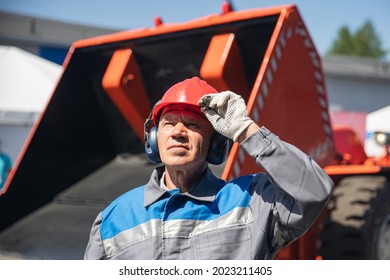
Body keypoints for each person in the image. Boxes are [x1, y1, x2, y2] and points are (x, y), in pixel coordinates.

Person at [84, 77, 334, 260]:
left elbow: (315, 189)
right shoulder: (113, 218)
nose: (179, 133)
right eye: (169, 123)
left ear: (215, 143)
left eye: (193, 125)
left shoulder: (253, 201)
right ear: (153, 138)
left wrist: (246, 131)